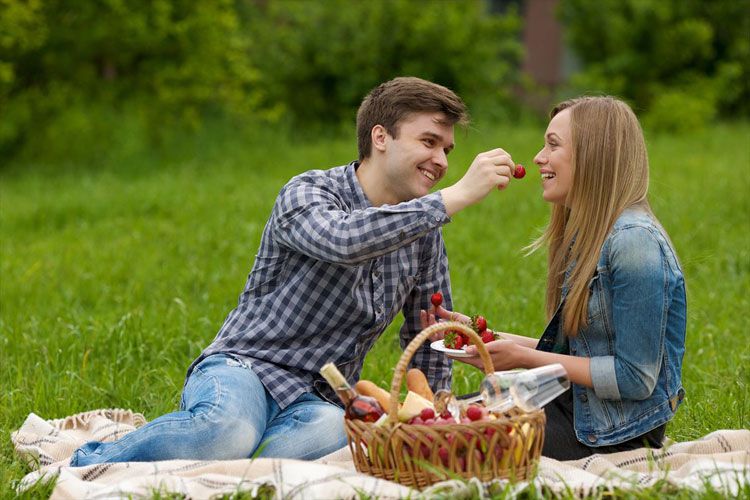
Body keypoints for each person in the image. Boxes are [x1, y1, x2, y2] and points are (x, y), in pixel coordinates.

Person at [70, 76, 522, 466]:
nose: (442, 161)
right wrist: (456, 196)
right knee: (229, 432)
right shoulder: (308, 192)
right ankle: (90, 461)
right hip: (246, 366)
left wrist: (434, 415)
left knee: (312, 449)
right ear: (380, 137)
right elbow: (343, 240)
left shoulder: (425, 232)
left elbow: (428, 334)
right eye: (429, 142)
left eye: (447, 149)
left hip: (323, 396)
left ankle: (216, 468)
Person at [424, 96, 687, 460]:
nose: (538, 157)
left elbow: (635, 378)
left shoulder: (634, 242)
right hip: (575, 408)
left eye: (553, 144)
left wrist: (521, 357)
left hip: (614, 432)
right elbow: (582, 354)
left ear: (593, 155)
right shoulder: (592, 234)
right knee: (433, 423)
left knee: (442, 445)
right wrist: (486, 338)